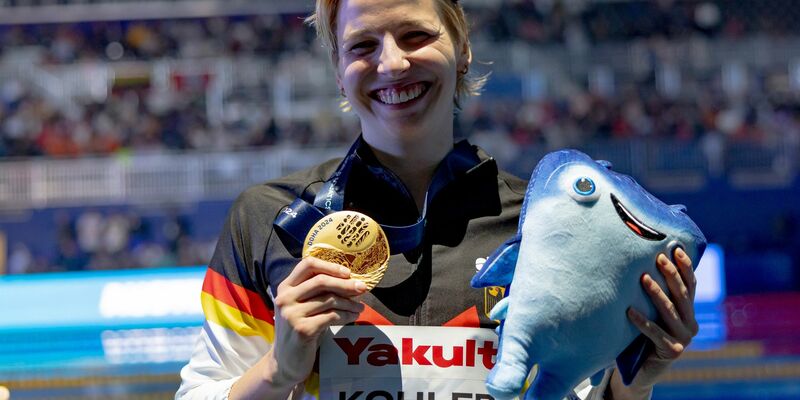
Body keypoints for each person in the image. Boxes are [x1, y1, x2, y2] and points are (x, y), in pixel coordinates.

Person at [176, 1, 700, 399]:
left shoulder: (545, 228)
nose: (393, 63)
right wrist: (277, 371)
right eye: (362, 46)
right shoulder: (267, 219)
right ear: (337, 68)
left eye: (415, 35)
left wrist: (631, 383)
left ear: (462, 47)